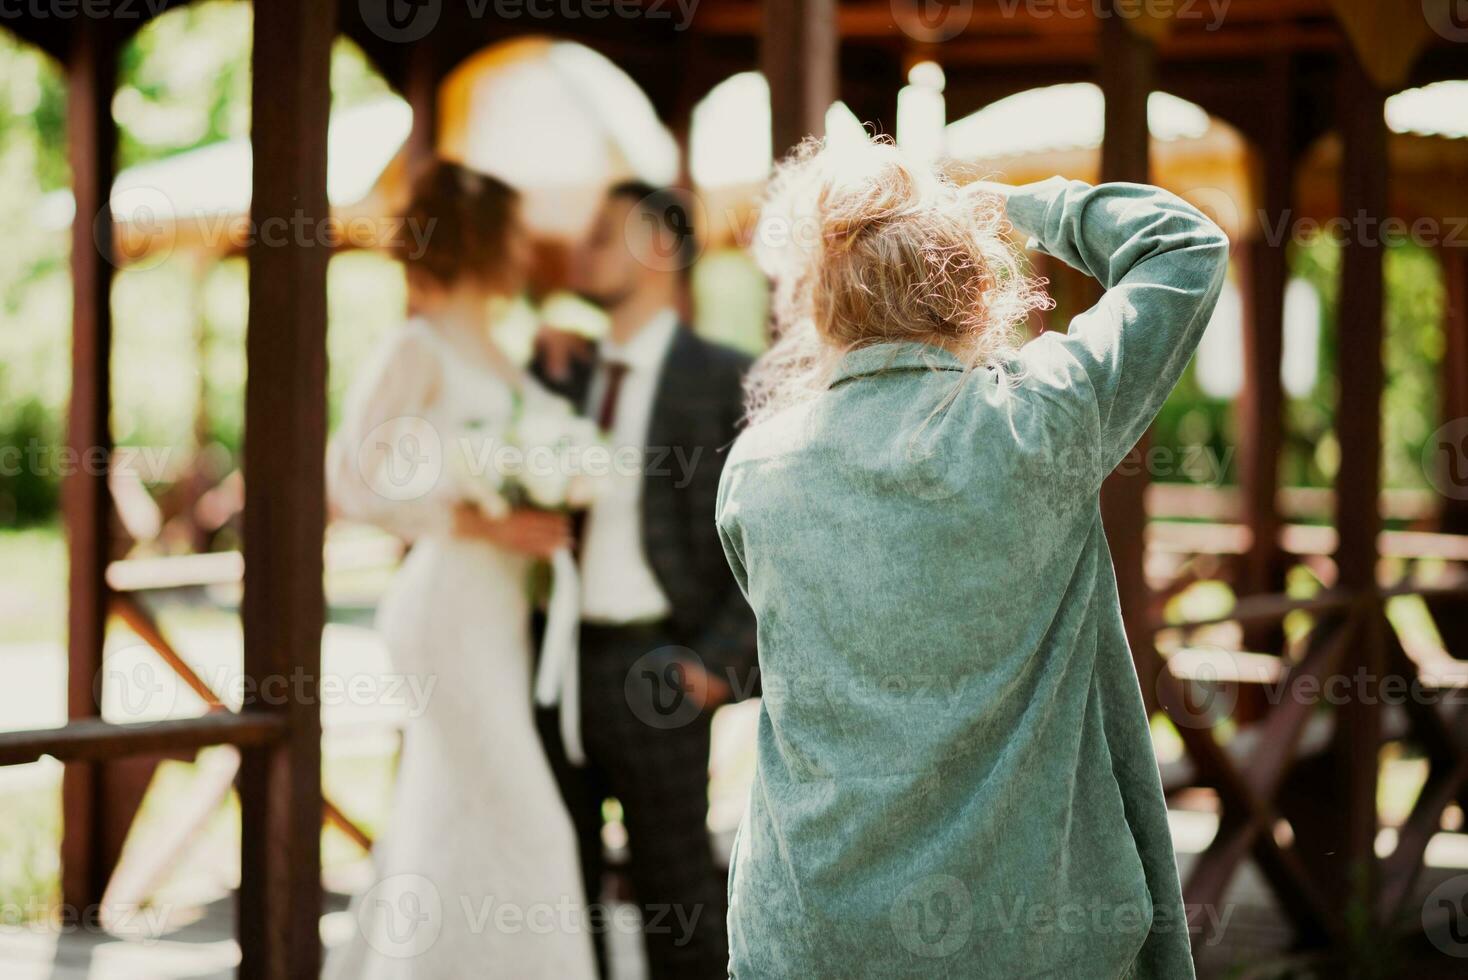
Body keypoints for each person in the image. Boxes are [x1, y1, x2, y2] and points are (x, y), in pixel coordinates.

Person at [714, 136, 1229, 978]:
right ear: (974, 288)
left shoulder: (757, 470)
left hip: (809, 935)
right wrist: (1024, 204)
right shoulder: (1044, 417)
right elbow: (1184, 245)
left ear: (819, 305)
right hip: (1030, 938)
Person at [324, 161, 597, 980]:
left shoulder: (505, 349)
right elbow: (352, 478)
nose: (527, 248)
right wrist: (484, 520)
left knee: (446, 812)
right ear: (480, 240)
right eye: (513, 232)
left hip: (502, 614)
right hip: (447, 609)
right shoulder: (418, 342)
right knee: (531, 822)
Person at [532, 181, 757, 980]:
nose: (583, 247)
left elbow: (765, 544)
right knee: (559, 890)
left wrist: (714, 668)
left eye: (604, 231)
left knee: (678, 892)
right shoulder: (560, 372)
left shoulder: (728, 378)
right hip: (553, 666)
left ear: (660, 245)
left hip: (662, 666)